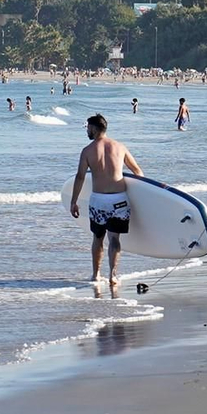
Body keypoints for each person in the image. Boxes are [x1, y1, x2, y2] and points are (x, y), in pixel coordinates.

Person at [68, 114, 144, 286]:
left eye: (87, 127)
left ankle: (96, 275)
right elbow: (137, 171)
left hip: (98, 201)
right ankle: (113, 275)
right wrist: (141, 197)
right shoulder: (120, 147)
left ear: (94, 128)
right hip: (119, 200)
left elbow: (80, 177)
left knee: (98, 237)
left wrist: (74, 201)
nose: (87, 130)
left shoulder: (87, 150)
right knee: (115, 239)